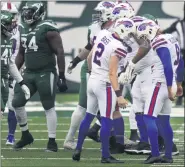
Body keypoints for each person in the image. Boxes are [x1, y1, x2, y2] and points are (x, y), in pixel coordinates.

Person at [72, 17, 136, 163]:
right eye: (129, 32)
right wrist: (119, 95)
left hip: (93, 79)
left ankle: (78, 150)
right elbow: (112, 73)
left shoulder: (102, 34)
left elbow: (89, 57)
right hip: (104, 84)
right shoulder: (118, 46)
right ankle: (105, 156)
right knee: (107, 120)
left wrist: (92, 72)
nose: (130, 36)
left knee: (88, 116)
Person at [123, 19, 184, 163]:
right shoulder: (171, 38)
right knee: (164, 121)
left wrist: (169, 87)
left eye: (144, 36)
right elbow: (181, 63)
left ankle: (155, 153)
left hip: (161, 84)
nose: (144, 39)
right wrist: (178, 84)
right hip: (170, 83)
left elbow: (167, 66)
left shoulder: (158, 42)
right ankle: (168, 155)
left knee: (149, 117)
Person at [12, 1, 67, 152]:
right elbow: (21, 54)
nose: (27, 15)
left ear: (39, 12)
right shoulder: (24, 29)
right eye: (27, 12)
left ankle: (52, 141)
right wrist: (14, 73)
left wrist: (61, 75)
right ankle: (26, 135)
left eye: (31, 12)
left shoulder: (48, 28)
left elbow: (60, 51)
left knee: (48, 105)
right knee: (17, 102)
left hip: (45, 71)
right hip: (28, 73)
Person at [1, 10, 30, 119]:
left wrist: (21, 83)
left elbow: (10, 63)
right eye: (8, 24)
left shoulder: (8, 39)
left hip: (4, 80)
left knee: (2, 111)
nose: (11, 27)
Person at [1, 2, 20, 146]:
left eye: (14, 15)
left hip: (12, 69)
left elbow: (20, 53)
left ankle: (11, 136)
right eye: (10, 15)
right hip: (3, 71)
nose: (13, 19)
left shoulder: (19, 31)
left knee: (12, 105)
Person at [162, 2, 185, 106]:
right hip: (183, 51)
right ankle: (180, 98)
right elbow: (166, 32)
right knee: (181, 74)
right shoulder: (178, 23)